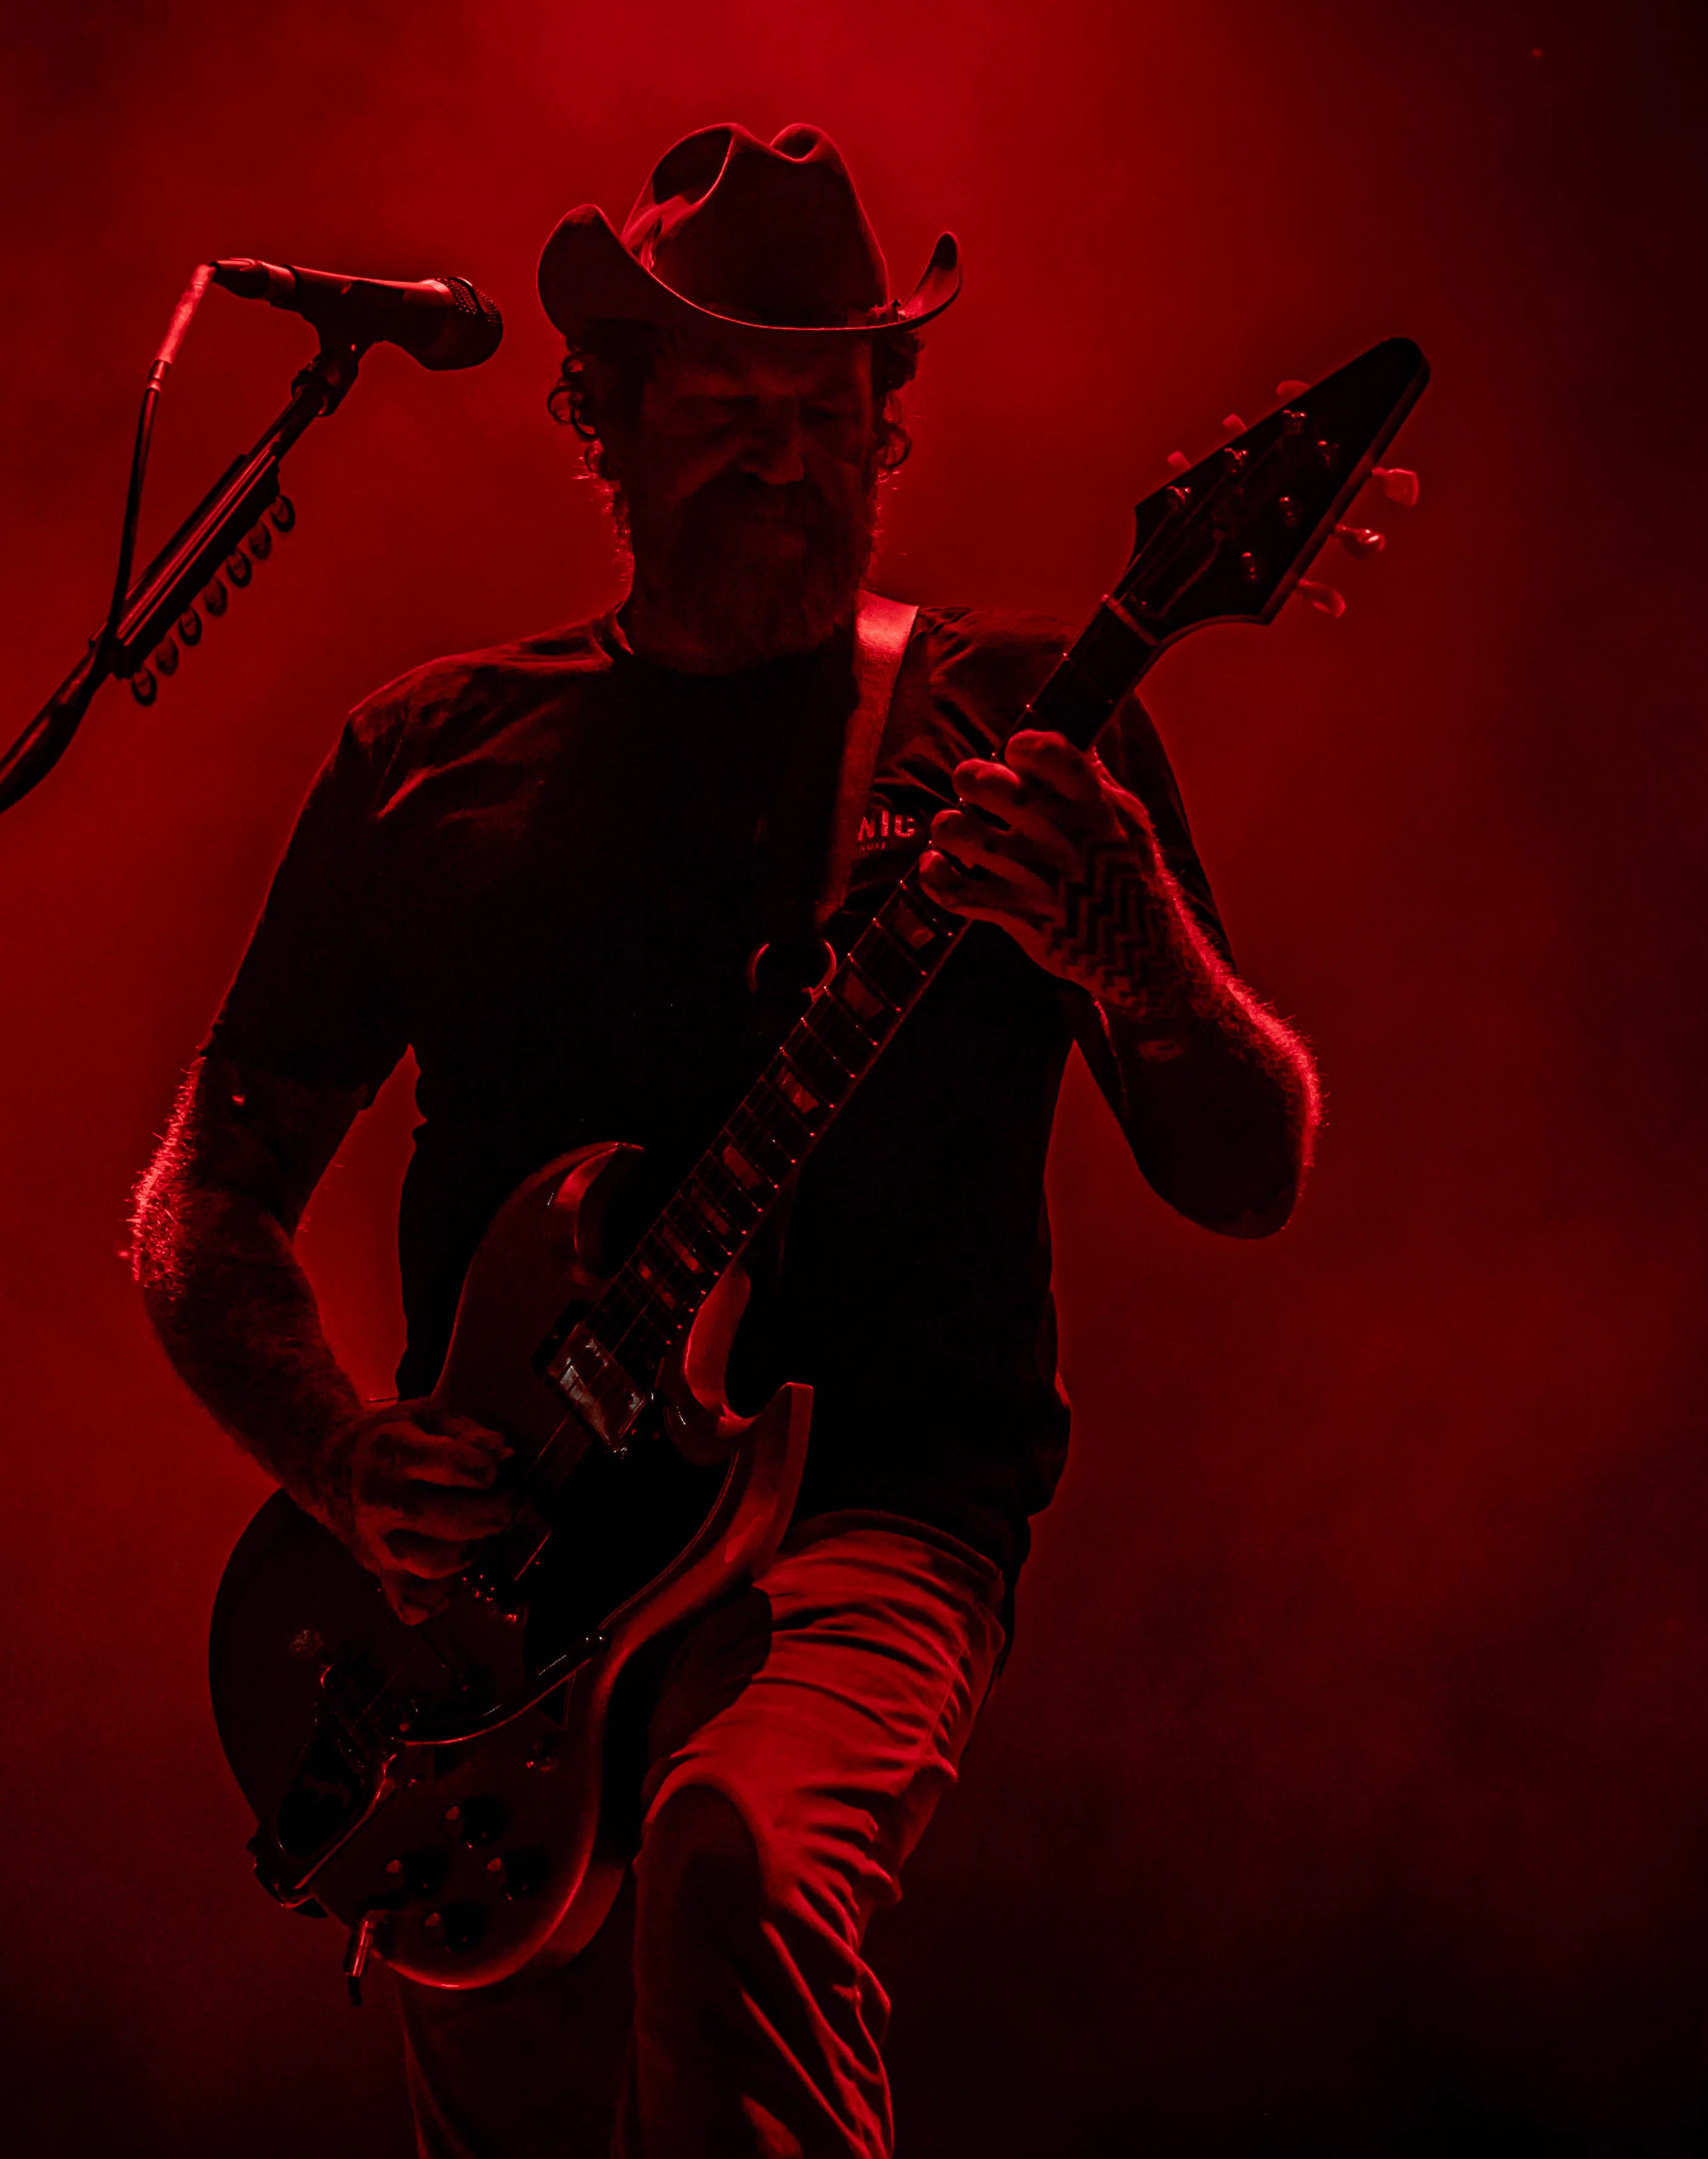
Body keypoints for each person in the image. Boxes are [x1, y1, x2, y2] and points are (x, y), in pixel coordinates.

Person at [134, 122, 1317, 2159]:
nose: (785, 452)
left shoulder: (1021, 717)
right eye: (725, 404)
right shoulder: (433, 750)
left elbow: (1251, 1169)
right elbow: (208, 1193)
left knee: (729, 1861)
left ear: (888, 429)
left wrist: (1140, 956)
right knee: (515, 2056)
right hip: (495, 1596)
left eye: (827, 406)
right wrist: (333, 1453)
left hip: (867, 1515)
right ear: (602, 420)